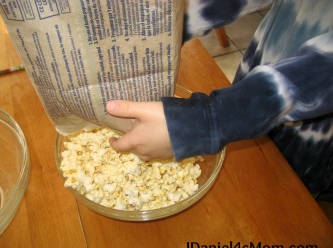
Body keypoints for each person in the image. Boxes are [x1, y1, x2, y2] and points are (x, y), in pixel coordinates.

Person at [106, 0, 333, 202]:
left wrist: (202, 122)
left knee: (283, 193)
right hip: (263, 71)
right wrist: (163, 24)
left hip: (315, 127)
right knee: (248, 166)